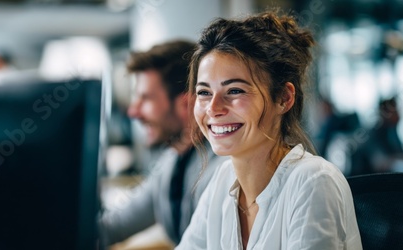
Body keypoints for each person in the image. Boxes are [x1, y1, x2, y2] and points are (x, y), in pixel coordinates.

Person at [176, 11, 362, 249]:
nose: (213, 108)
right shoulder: (222, 181)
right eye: (204, 92)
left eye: (234, 90)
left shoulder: (314, 182)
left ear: (284, 98)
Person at [99, 40, 227, 246]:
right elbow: (114, 226)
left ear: (186, 104)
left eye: (146, 99)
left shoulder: (222, 171)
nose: (133, 111)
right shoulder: (170, 164)